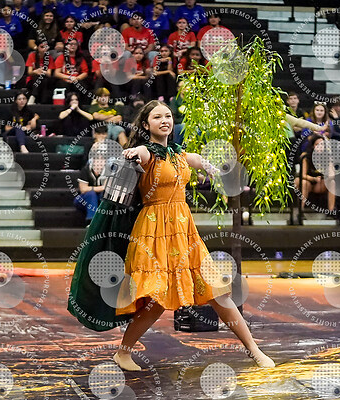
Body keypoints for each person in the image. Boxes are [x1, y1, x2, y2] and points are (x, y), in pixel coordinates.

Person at [67, 100, 276, 371]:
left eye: (168, 116)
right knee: (156, 300)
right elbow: (139, 153)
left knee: (216, 290)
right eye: (157, 117)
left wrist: (215, 168)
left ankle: (254, 349)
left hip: (184, 232)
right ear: (146, 125)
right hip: (153, 233)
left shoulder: (178, 154)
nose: (165, 120)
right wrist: (131, 153)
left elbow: (198, 160)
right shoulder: (146, 153)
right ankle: (123, 353)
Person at [294, 134, 336, 212]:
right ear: (313, 146)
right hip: (308, 181)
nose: (320, 147)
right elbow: (303, 175)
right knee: (304, 183)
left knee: (332, 182)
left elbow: (332, 176)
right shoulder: (306, 157)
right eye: (317, 144)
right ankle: (300, 211)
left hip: (320, 184)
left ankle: (331, 211)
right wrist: (313, 179)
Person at [74, 136, 108, 223]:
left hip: (99, 198)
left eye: (102, 160)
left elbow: (108, 188)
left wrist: (93, 188)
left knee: (104, 196)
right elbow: (83, 189)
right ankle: (92, 221)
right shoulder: (86, 170)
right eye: (97, 159)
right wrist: (101, 188)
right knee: (91, 194)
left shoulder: (108, 171)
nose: (99, 162)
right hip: (84, 199)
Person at [25, 39, 55, 104]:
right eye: (42, 47)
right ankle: (36, 98)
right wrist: (35, 71)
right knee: (38, 77)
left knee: (44, 80)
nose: (44, 49)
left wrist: (42, 72)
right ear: (37, 47)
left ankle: (36, 98)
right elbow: (29, 72)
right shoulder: (32, 55)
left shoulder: (49, 58)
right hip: (32, 80)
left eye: (46, 47)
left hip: (44, 79)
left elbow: (49, 74)